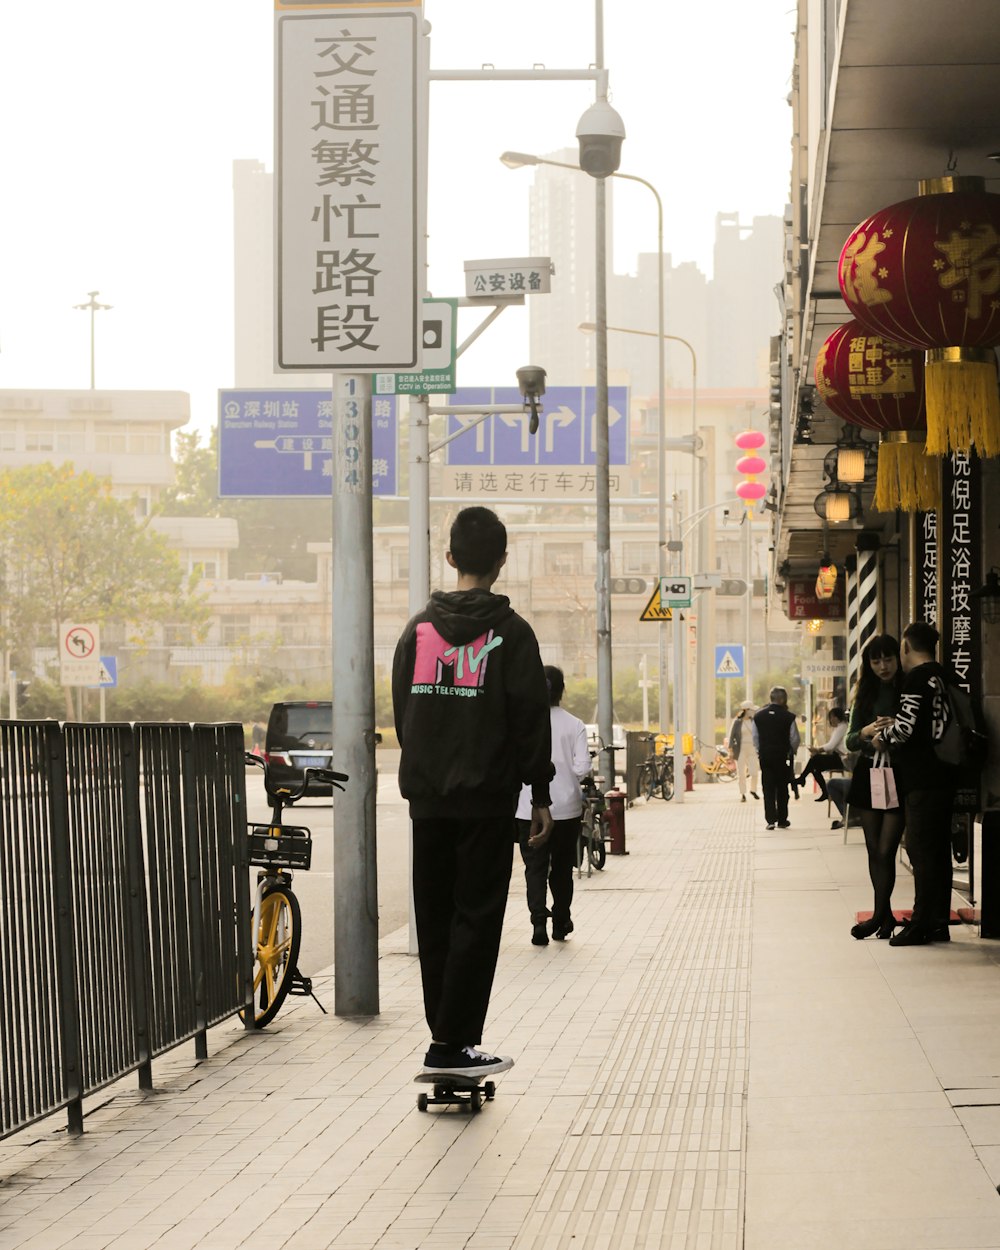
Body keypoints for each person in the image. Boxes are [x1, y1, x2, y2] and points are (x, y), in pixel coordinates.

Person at [392, 506, 554, 1079]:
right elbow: (530, 718)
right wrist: (539, 793)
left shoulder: (418, 630)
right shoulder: (512, 634)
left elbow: (403, 714)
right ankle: (454, 1042)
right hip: (486, 799)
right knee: (476, 917)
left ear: (450, 556)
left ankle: (446, 1037)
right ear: (502, 562)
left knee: (434, 917)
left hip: (428, 800)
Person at [875, 621, 959, 947]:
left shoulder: (917, 679)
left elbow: (906, 729)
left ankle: (921, 923)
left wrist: (884, 735)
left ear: (906, 647)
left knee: (921, 850)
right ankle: (938, 921)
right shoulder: (944, 675)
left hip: (923, 777)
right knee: (938, 851)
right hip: (947, 773)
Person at [515, 666, 590, 947]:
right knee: (561, 868)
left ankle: (538, 924)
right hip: (567, 809)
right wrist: (568, 774)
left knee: (534, 868)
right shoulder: (575, 724)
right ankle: (561, 921)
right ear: (562, 691)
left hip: (527, 809)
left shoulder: (522, 724)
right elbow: (582, 766)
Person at [842, 635, 905, 938]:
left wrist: (895, 733)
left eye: (888, 659)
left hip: (898, 773)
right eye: (876, 661)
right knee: (872, 849)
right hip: (868, 773)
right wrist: (867, 732)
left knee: (886, 848)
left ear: (898, 658)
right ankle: (886, 915)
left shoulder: (908, 689)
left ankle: (880, 915)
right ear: (868, 664)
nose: (883, 666)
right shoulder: (863, 694)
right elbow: (850, 739)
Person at [752, 687, 800, 830]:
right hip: (781, 757)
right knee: (782, 787)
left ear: (771, 698)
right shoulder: (788, 716)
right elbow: (795, 738)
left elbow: (755, 737)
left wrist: (760, 750)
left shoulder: (758, 716)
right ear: (783, 699)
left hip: (765, 756)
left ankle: (770, 820)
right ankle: (782, 819)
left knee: (768, 787)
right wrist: (792, 751)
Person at [795, 707, 848, 802]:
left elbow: (831, 746)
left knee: (815, 760)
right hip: (837, 756)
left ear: (836, 717)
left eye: (831, 717)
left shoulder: (842, 727)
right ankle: (822, 790)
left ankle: (803, 779)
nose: (830, 720)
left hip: (842, 758)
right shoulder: (838, 728)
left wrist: (817, 750)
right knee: (815, 767)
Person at [728, 700, 760, 802]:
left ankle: (753, 790)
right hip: (740, 749)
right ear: (746, 710)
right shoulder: (737, 722)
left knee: (754, 772)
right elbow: (731, 736)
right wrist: (731, 750)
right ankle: (742, 793)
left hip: (752, 749)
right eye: (751, 710)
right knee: (741, 773)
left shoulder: (754, 721)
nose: (753, 712)